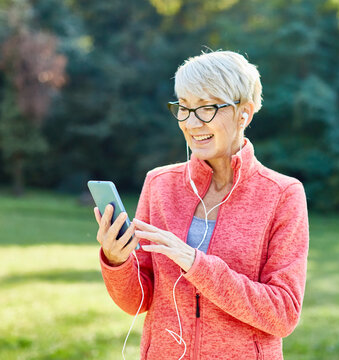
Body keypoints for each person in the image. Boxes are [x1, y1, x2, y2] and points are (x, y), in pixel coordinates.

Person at [93, 50, 309, 360]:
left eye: (206, 108)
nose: (192, 122)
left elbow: (283, 313)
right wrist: (116, 261)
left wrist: (196, 264)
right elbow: (137, 301)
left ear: (244, 113)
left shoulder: (283, 194)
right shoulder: (159, 184)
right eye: (184, 107)